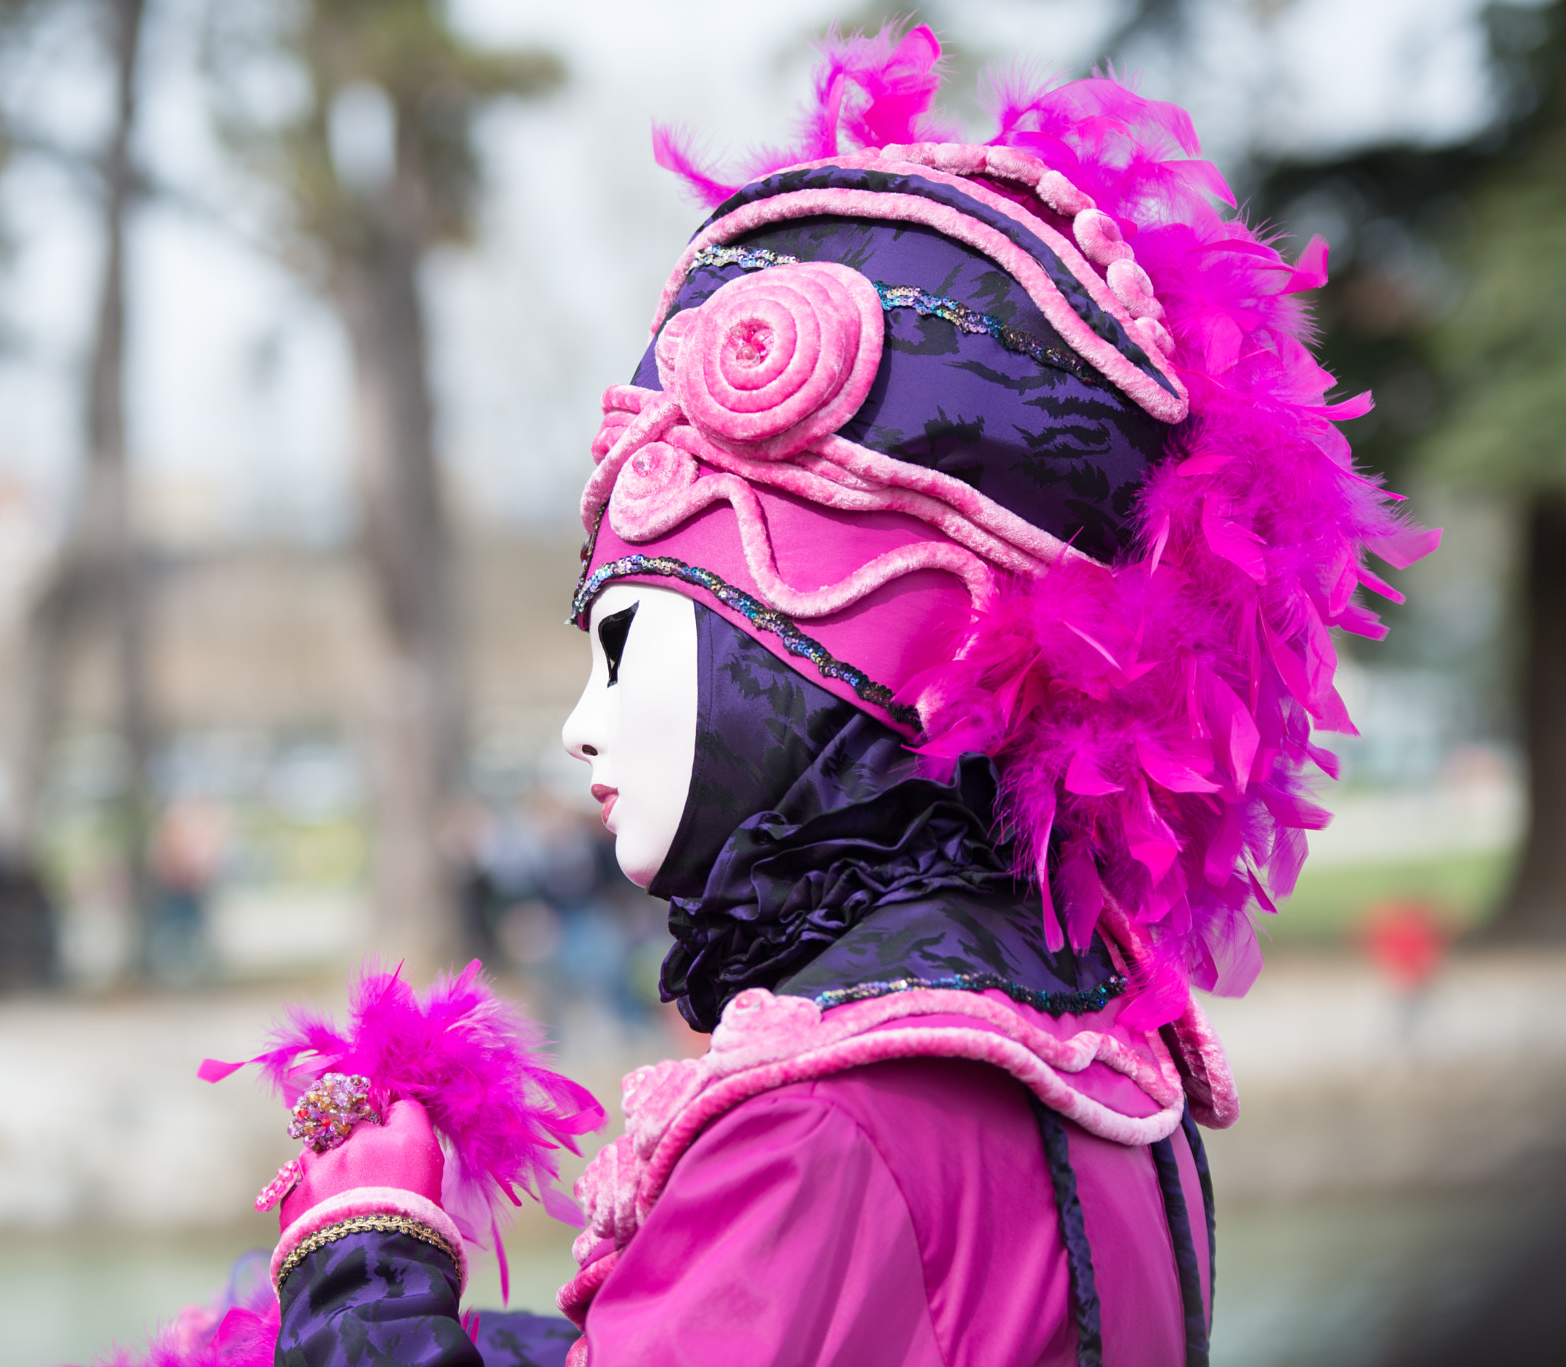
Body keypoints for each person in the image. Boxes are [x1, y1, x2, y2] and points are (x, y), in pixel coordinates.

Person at [153, 25, 1435, 1367]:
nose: (581, 724)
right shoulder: (1102, 1045)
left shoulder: (826, 1118)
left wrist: (365, 1269)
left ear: (814, 656)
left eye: (634, 646)